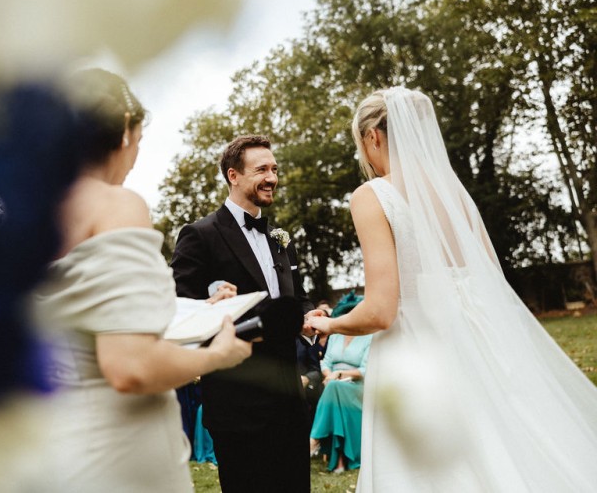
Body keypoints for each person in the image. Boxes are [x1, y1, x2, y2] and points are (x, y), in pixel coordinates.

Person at [307, 87, 597, 491]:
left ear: (373, 136)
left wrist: (329, 325)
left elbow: (381, 311)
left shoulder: (372, 196)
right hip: (480, 348)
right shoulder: (455, 195)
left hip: (414, 356)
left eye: (362, 145)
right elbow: (490, 284)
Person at [31, 69, 251, 493]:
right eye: (139, 143)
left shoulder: (28, 216)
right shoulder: (116, 204)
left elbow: (89, 321)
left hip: (51, 448)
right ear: (126, 133)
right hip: (116, 457)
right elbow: (130, 366)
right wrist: (216, 355)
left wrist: (195, 311)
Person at [170, 135, 324, 493]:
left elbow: (295, 298)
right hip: (238, 401)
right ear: (233, 176)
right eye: (261, 170)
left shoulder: (280, 238)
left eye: (274, 169)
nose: (272, 177)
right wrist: (217, 306)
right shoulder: (200, 235)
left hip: (289, 396)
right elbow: (181, 308)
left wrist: (310, 315)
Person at [308, 291, 371, 474]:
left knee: (335, 388)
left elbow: (366, 370)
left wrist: (340, 374)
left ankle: (314, 439)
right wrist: (329, 374)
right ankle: (340, 461)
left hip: (357, 387)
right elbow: (326, 362)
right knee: (334, 390)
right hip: (333, 384)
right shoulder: (335, 335)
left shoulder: (369, 337)